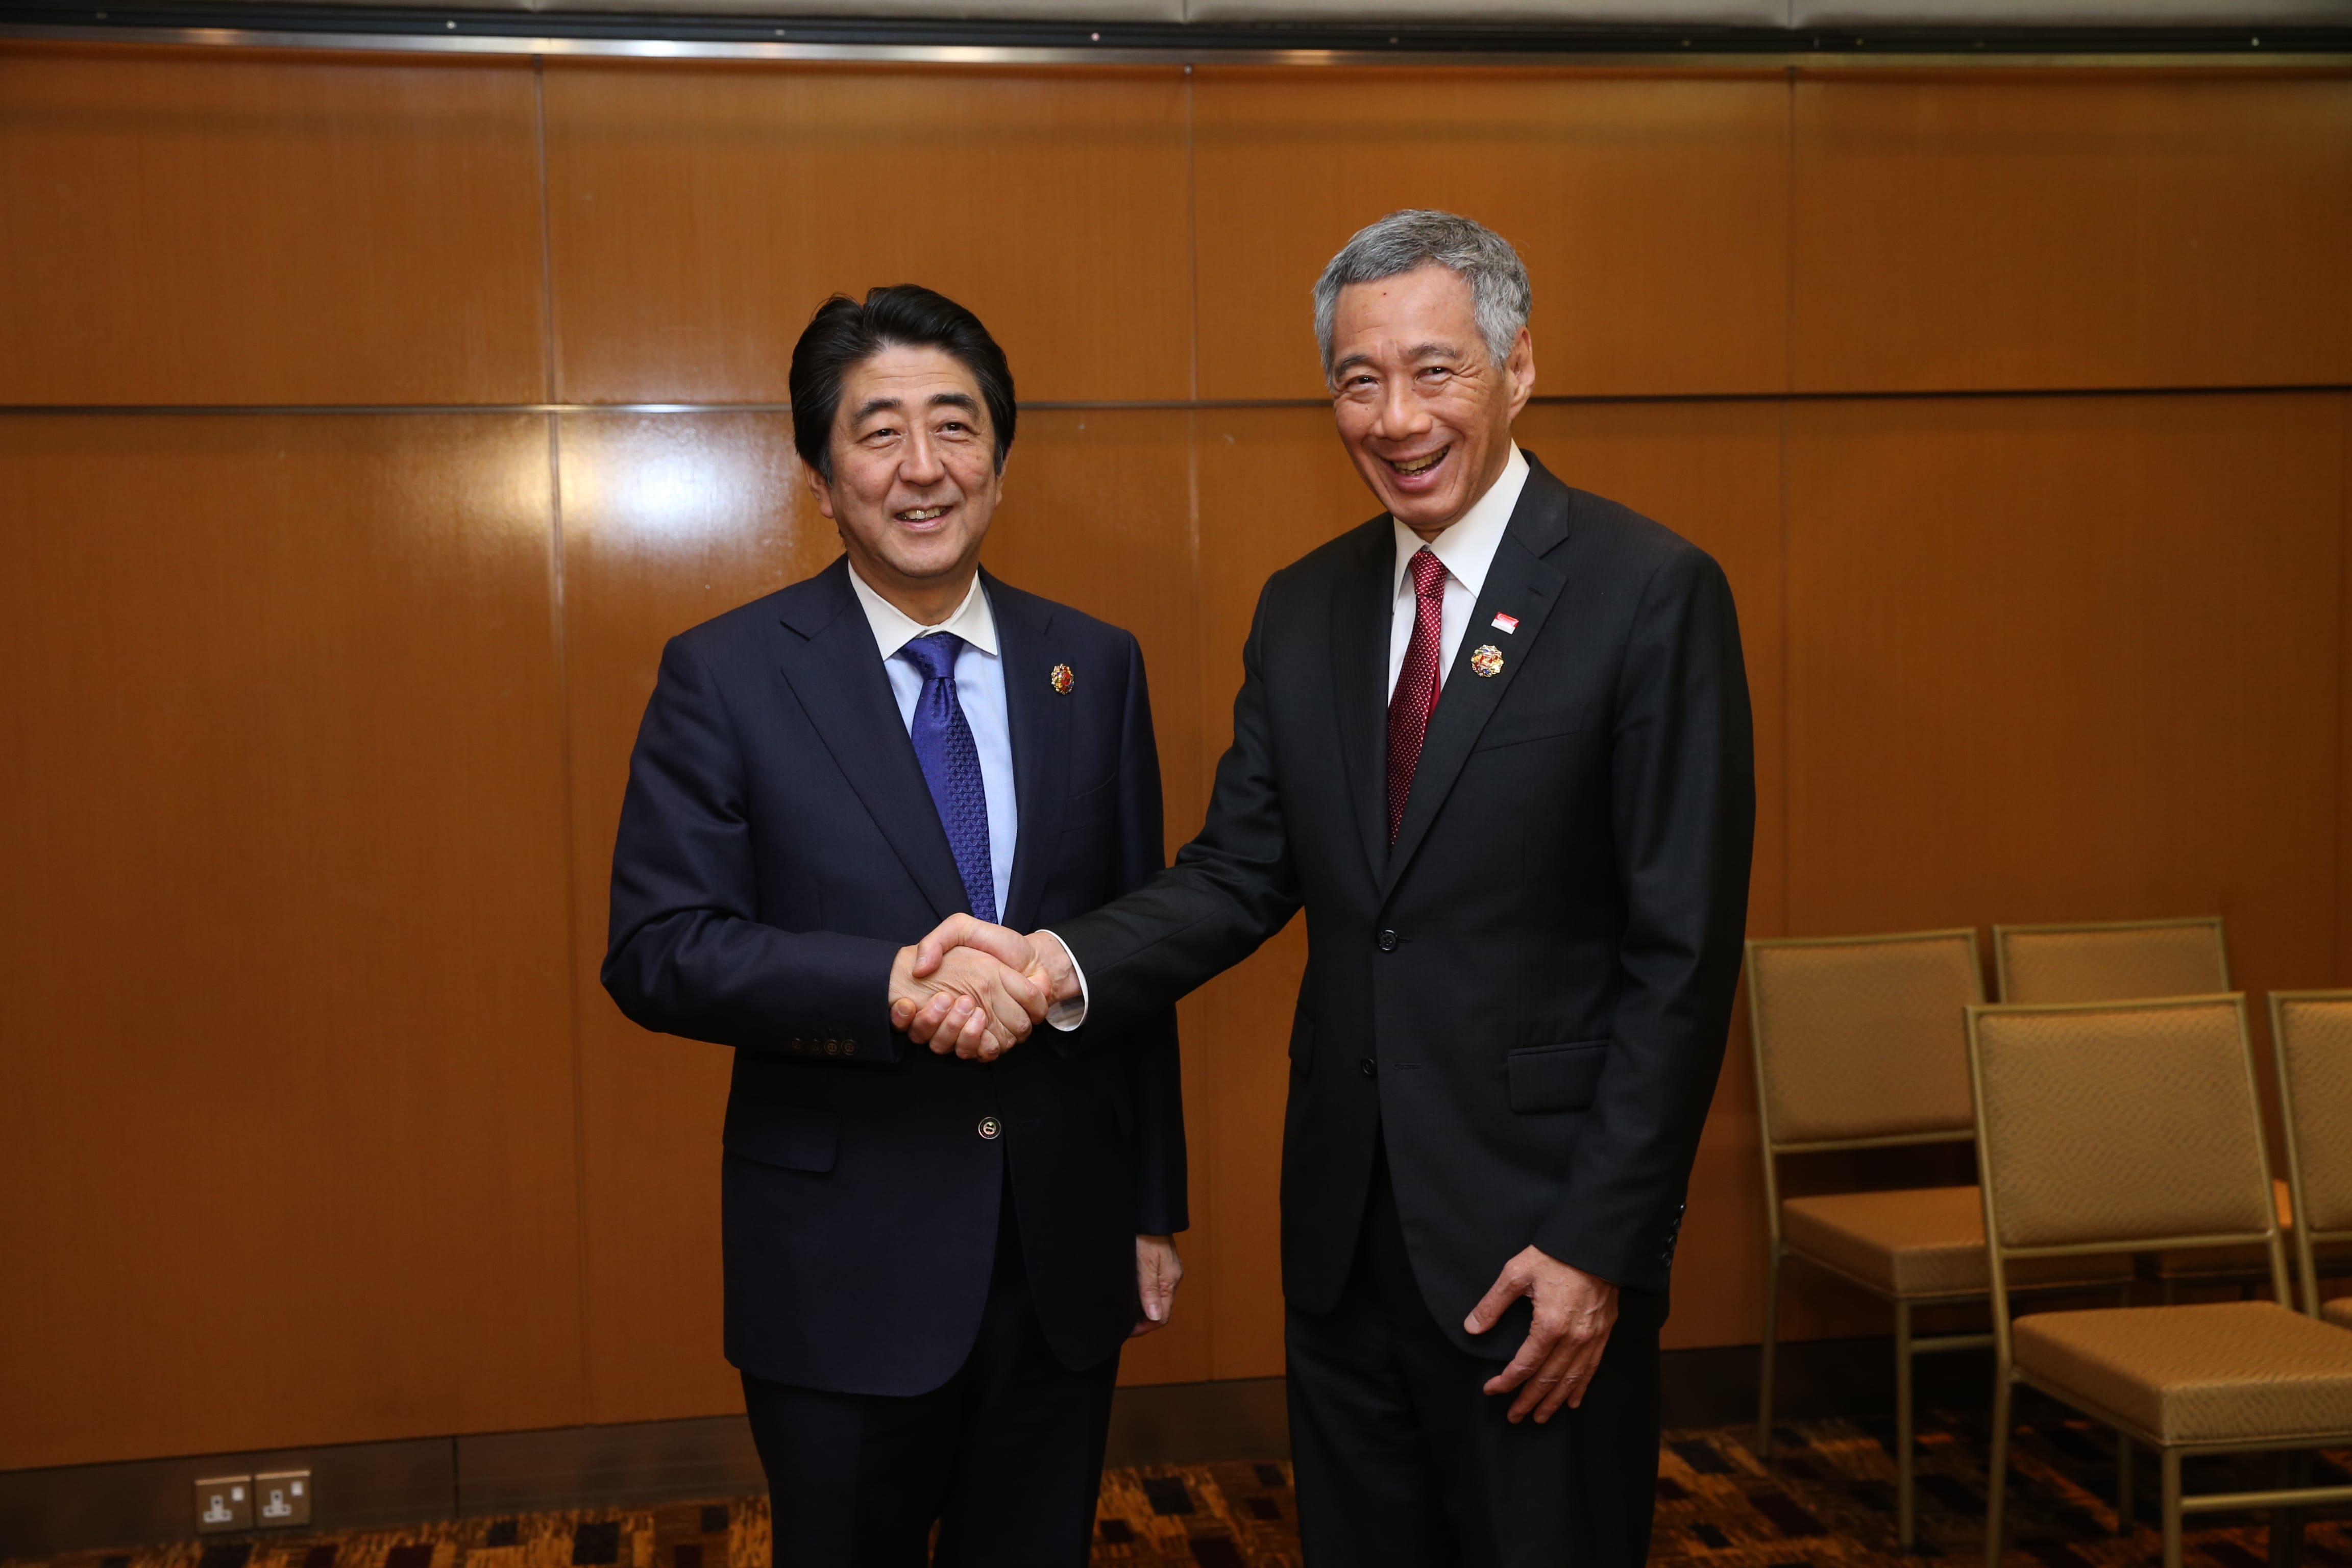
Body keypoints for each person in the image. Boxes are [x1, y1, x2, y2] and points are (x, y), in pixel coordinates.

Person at [902, 211, 1754, 1567]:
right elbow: (1240, 874)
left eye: (1437, 371)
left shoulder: (1649, 595)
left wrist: (1600, 1245)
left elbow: (1683, 955)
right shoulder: (1306, 608)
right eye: (1361, 381)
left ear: (1518, 368)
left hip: (1539, 1241)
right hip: (1347, 1242)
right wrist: (1054, 966)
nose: (1397, 417)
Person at [601, 284, 1187, 1567]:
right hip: (840, 1267)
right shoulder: (730, 674)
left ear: (1000, 453)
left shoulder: (1095, 664)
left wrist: (1153, 1205)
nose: (922, 469)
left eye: (955, 427)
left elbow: (1138, 947)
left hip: (1059, 1257)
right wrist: (886, 985)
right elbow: (659, 948)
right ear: (820, 474)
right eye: (877, 433)